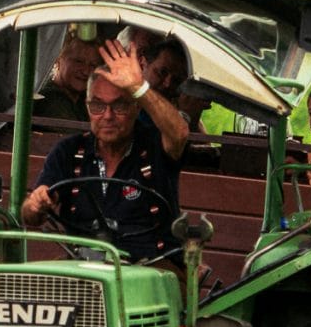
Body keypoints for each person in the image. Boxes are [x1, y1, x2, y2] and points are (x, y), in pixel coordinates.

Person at [22, 69, 181, 261]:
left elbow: (179, 133)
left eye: (119, 105)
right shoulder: (69, 150)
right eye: (97, 105)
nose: (107, 116)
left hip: (151, 269)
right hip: (82, 268)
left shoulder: (155, 145)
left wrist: (139, 86)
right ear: (87, 106)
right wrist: (35, 203)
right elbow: (30, 216)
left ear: (137, 107)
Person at [98, 28, 192, 159]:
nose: (167, 83)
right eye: (161, 72)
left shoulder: (175, 106)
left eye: (176, 80)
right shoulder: (118, 97)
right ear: (142, 63)